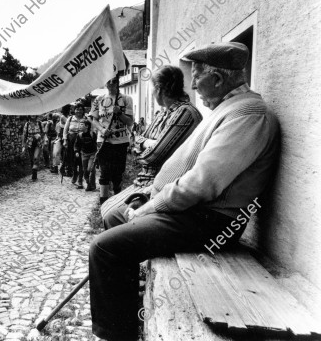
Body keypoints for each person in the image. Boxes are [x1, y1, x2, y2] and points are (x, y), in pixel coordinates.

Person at [89, 42, 280, 340]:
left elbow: (202, 184)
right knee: (114, 219)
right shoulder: (229, 108)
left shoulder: (249, 114)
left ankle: (117, 335)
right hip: (193, 213)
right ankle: (126, 311)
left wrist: (149, 207)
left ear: (218, 79)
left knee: (105, 248)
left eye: (197, 76)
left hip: (210, 221)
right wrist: (152, 193)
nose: (191, 84)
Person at [100, 65, 203, 221]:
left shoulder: (185, 112)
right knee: (106, 209)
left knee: (111, 216)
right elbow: (137, 142)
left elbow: (152, 156)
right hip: (144, 180)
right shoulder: (163, 112)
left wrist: (145, 144)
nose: (153, 93)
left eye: (153, 89)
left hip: (160, 184)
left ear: (159, 89)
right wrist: (151, 143)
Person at [87, 76, 134, 205]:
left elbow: (130, 121)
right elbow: (93, 119)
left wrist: (119, 113)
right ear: (105, 83)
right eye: (109, 81)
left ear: (118, 83)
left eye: (115, 82)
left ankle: (117, 203)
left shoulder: (126, 99)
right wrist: (102, 130)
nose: (112, 84)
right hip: (104, 141)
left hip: (121, 141)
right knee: (104, 173)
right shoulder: (99, 99)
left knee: (118, 174)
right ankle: (104, 204)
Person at [63, 104, 86, 186]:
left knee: (81, 160)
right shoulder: (70, 118)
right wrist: (65, 140)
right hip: (71, 141)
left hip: (82, 141)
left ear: (83, 110)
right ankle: (74, 173)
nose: (79, 111)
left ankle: (80, 178)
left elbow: (91, 129)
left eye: (80, 109)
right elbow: (65, 130)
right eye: (77, 109)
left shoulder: (86, 119)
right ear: (74, 110)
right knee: (73, 159)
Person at [74, 119, 97, 191]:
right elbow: (76, 145)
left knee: (90, 169)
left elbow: (96, 144)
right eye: (79, 124)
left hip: (92, 154)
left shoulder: (92, 134)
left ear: (87, 126)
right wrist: (76, 151)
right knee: (84, 170)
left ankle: (92, 184)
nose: (79, 126)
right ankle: (89, 184)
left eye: (81, 124)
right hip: (83, 154)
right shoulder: (79, 135)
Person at [22, 116, 46, 181]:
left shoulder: (40, 123)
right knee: (32, 159)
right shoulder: (27, 124)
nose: (33, 115)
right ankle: (34, 174)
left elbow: (43, 132)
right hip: (30, 143)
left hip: (38, 143)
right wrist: (23, 145)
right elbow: (24, 135)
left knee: (35, 157)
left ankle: (34, 172)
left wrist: (40, 135)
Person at [59, 104, 72, 176]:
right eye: (69, 109)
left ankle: (67, 168)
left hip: (68, 135)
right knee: (65, 153)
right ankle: (64, 168)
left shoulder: (68, 116)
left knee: (68, 153)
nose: (71, 110)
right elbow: (70, 123)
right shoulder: (63, 117)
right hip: (64, 136)